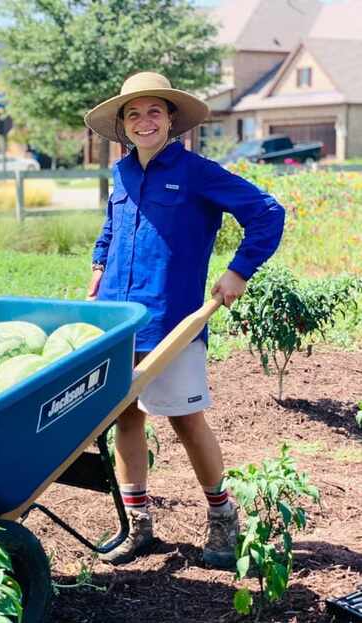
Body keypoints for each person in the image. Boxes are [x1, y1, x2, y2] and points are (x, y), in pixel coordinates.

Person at [84, 72, 285, 568]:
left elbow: (267, 212)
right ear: (123, 125)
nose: (144, 121)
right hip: (117, 319)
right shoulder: (122, 173)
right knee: (124, 419)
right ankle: (138, 525)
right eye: (134, 114)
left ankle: (223, 520)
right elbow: (111, 228)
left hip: (173, 321)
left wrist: (239, 271)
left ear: (171, 119)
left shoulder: (197, 172)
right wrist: (97, 267)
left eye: (154, 111)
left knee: (185, 419)